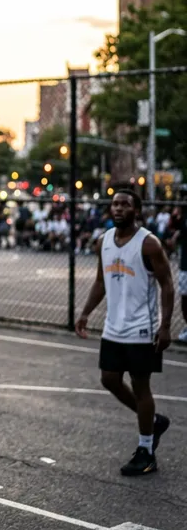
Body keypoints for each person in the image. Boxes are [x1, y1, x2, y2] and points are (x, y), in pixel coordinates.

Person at [75, 189, 173, 476]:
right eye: (115, 204)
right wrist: (85, 313)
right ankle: (153, 422)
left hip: (141, 328)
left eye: (125, 204)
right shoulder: (103, 241)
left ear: (136, 211)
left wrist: (165, 326)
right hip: (113, 327)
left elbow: (167, 284)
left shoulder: (149, 244)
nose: (118, 208)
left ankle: (146, 451)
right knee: (109, 379)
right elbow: (100, 281)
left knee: (141, 387)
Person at [170, 207, 187, 343]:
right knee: (185, 298)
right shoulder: (184, 216)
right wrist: (176, 215)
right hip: (185, 266)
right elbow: (174, 229)